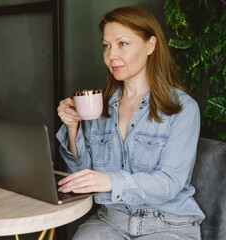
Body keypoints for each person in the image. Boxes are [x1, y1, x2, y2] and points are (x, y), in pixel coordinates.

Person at [56, 6, 205, 240]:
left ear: (150, 45)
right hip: (111, 221)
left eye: (122, 44)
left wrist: (110, 181)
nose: (111, 55)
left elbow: (169, 183)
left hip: (169, 223)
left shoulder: (183, 108)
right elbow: (82, 178)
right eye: (106, 45)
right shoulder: (99, 107)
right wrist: (73, 129)